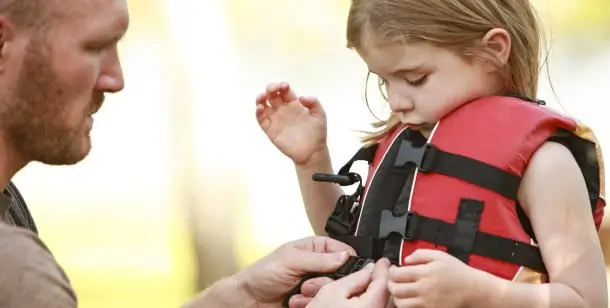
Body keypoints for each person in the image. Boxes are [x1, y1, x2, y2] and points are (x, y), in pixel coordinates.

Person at [0, 1, 390, 307]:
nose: (116, 79)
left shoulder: (9, 206)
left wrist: (243, 294)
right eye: (95, 46)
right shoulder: (15, 270)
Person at [255, 0, 608, 307]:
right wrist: (311, 160)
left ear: (494, 50)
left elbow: (587, 300)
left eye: (415, 78)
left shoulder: (545, 165)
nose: (395, 101)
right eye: (383, 81)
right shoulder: (407, 146)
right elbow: (348, 248)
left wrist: (479, 293)